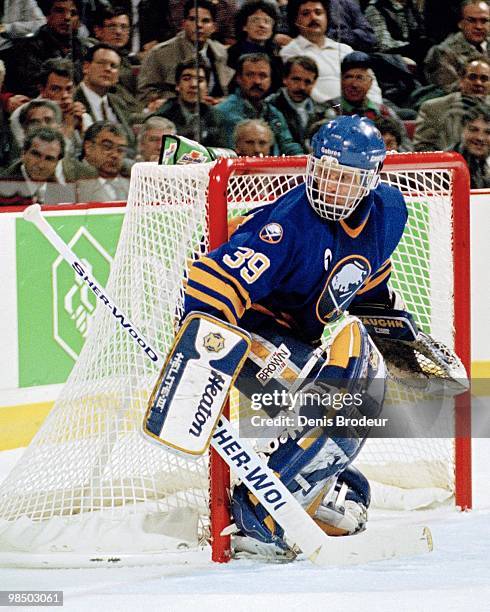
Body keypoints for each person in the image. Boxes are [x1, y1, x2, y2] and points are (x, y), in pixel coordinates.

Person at [177, 114, 428, 554]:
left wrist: (393, 329)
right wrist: (199, 355)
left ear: (371, 180)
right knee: (347, 382)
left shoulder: (389, 211)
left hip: (299, 338)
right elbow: (211, 289)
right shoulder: (286, 223)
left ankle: (309, 488)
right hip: (246, 332)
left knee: (353, 427)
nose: (331, 187)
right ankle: (258, 510)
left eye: (345, 179)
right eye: (324, 173)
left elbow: (365, 279)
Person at [279, 0, 383, 104]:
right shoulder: (290, 52)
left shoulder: (345, 49)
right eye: (306, 13)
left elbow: (369, 81)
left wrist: (372, 106)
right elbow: (305, 89)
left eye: (318, 13)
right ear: (296, 21)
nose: (314, 17)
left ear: (327, 18)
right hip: (327, 113)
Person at [137, 0, 234, 106]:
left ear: (214, 27)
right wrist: (177, 102)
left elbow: (228, 92)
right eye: (193, 19)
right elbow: (144, 94)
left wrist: (222, 102)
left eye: (205, 21)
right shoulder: (159, 54)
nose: (198, 25)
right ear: (184, 23)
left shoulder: (221, 53)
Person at [214, 52, 303, 154]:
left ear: (270, 80)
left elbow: (289, 145)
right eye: (250, 75)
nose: (257, 81)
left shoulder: (273, 112)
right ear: (239, 78)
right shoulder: (223, 112)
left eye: (263, 76)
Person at [326, 51, 412, 151]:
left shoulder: (384, 112)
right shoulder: (329, 110)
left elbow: (407, 148)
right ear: (341, 81)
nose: (354, 84)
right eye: (348, 77)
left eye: (360, 78)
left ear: (370, 83)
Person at [4, 0, 87, 97]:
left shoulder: (84, 50)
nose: (67, 17)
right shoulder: (27, 49)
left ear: (79, 22)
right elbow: (32, 90)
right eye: (59, 11)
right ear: (47, 16)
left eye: (73, 13)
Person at [413, 57, 490, 151]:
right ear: (461, 80)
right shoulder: (433, 108)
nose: (478, 83)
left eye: (484, 79)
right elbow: (421, 148)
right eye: (472, 77)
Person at [74, 43, 136, 156]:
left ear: (117, 76)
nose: (107, 69)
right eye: (101, 63)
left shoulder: (119, 103)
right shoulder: (72, 101)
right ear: (86, 67)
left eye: (113, 66)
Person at [266, 55, 336, 151]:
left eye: (307, 82)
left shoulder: (324, 111)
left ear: (314, 83)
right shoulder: (268, 107)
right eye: (296, 79)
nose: (301, 87)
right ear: (285, 79)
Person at [151, 59, 221, 145]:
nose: (193, 85)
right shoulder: (162, 116)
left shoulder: (217, 117)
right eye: (187, 79)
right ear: (177, 85)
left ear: (207, 88)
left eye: (200, 80)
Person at [424, 0, 490, 93]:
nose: (478, 26)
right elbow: (451, 91)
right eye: (471, 20)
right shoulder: (442, 53)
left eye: (484, 21)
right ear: (460, 23)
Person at [0, 126, 77, 204]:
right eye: (36, 155)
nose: (41, 165)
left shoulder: (64, 196)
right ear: (23, 153)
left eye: (49, 159)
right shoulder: (2, 189)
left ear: (57, 162)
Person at [227, 0, 283, 92]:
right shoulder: (231, 54)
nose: (261, 25)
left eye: (267, 21)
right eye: (255, 20)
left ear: (273, 29)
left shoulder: (277, 57)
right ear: (244, 26)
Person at [77, 120, 130, 202]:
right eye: (107, 147)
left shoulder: (132, 185)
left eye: (120, 150)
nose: (115, 155)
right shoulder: (74, 184)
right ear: (88, 147)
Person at [448, 104, 490, 188]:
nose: (480, 137)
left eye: (488, 132)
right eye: (473, 130)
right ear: (462, 130)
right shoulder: (446, 163)